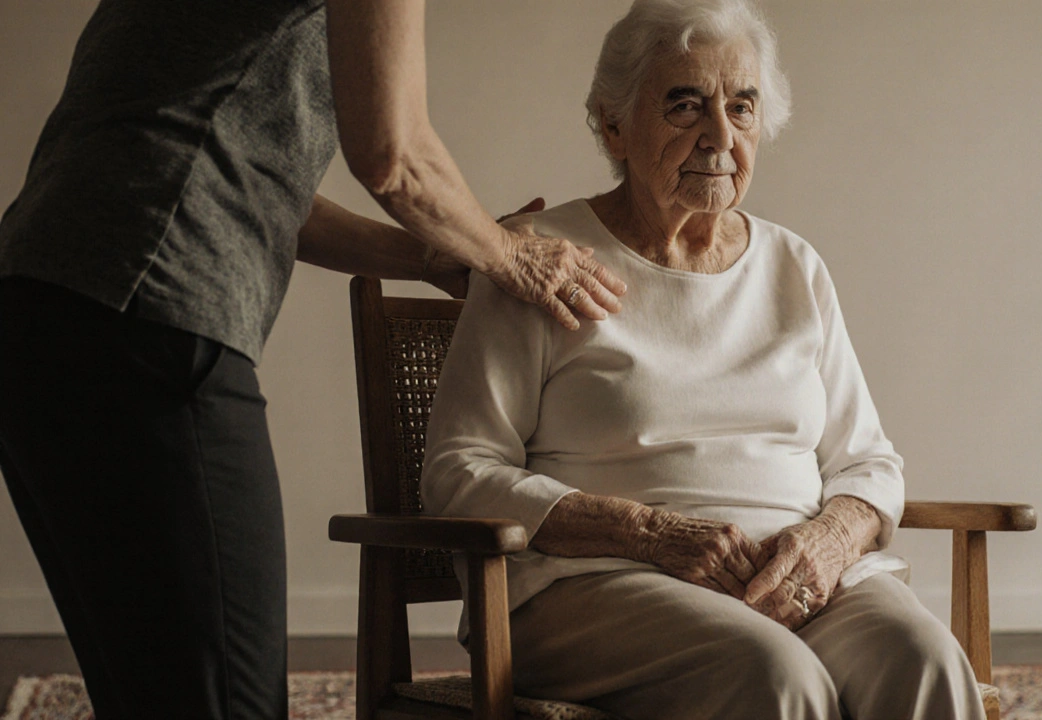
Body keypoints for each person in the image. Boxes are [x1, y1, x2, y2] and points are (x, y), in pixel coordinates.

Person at [0, 1, 626, 718]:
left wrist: (435, 255)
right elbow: (394, 155)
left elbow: (263, 186)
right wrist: (509, 253)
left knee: (153, 692)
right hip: (146, 312)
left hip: (42, 308)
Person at [419, 1, 986, 718]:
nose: (720, 136)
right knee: (777, 676)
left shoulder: (793, 266)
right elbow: (458, 473)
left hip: (796, 578)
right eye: (685, 105)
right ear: (613, 125)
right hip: (594, 584)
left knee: (925, 662)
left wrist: (831, 539)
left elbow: (869, 463)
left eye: (742, 107)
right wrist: (649, 534)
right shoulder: (543, 260)